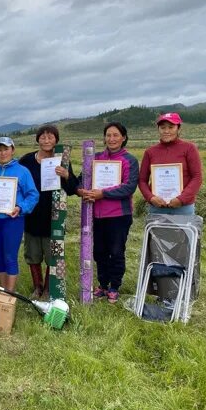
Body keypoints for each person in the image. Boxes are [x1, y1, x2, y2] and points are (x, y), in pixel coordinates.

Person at [78, 122, 139, 304]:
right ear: (104, 138)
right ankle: (103, 285)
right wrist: (82, 190)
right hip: (97, 214)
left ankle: (114, 286)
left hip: (119, 216)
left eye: (115, 135)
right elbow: (83, 179)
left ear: (123, 137)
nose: (111, 139)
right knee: (99, 251)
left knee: (116, 251)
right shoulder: (95, 158)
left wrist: (102, 193)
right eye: (108, 135)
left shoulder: (129, 160)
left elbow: (129, 187)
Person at [18, 124, 78, 298]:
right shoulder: (27, 160)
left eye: (50, 137)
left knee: (53, 255)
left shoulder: (62, 161)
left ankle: (48, 289)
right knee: (32, 254)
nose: (46, 140)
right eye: (43, 137)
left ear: (56, 140)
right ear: (37, 140)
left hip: (54, 215)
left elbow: (73, 188)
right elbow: (18, 184)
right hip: (31, 214)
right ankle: (37, 286)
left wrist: (66, 175)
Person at [0, 137, 39, 291]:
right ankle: (2, 290)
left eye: (6, 149)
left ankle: (9, 294)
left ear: (12, 150)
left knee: (10, 257)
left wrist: (20, 207)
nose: (3, 152)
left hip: (13, 220)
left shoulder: (22, 171)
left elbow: (33, 195)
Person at [139, 112, 203, 215]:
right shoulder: (150, 152)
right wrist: (151, 198)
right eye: (163, 127)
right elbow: (142, 180)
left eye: (171, 127)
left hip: (183, 207)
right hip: (157, 208)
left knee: (183, 232)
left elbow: (197, 177)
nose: (166, 131)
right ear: (158, 129)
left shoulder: (189, 148)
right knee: (157, 232)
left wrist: (181, 199)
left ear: (178, 128)